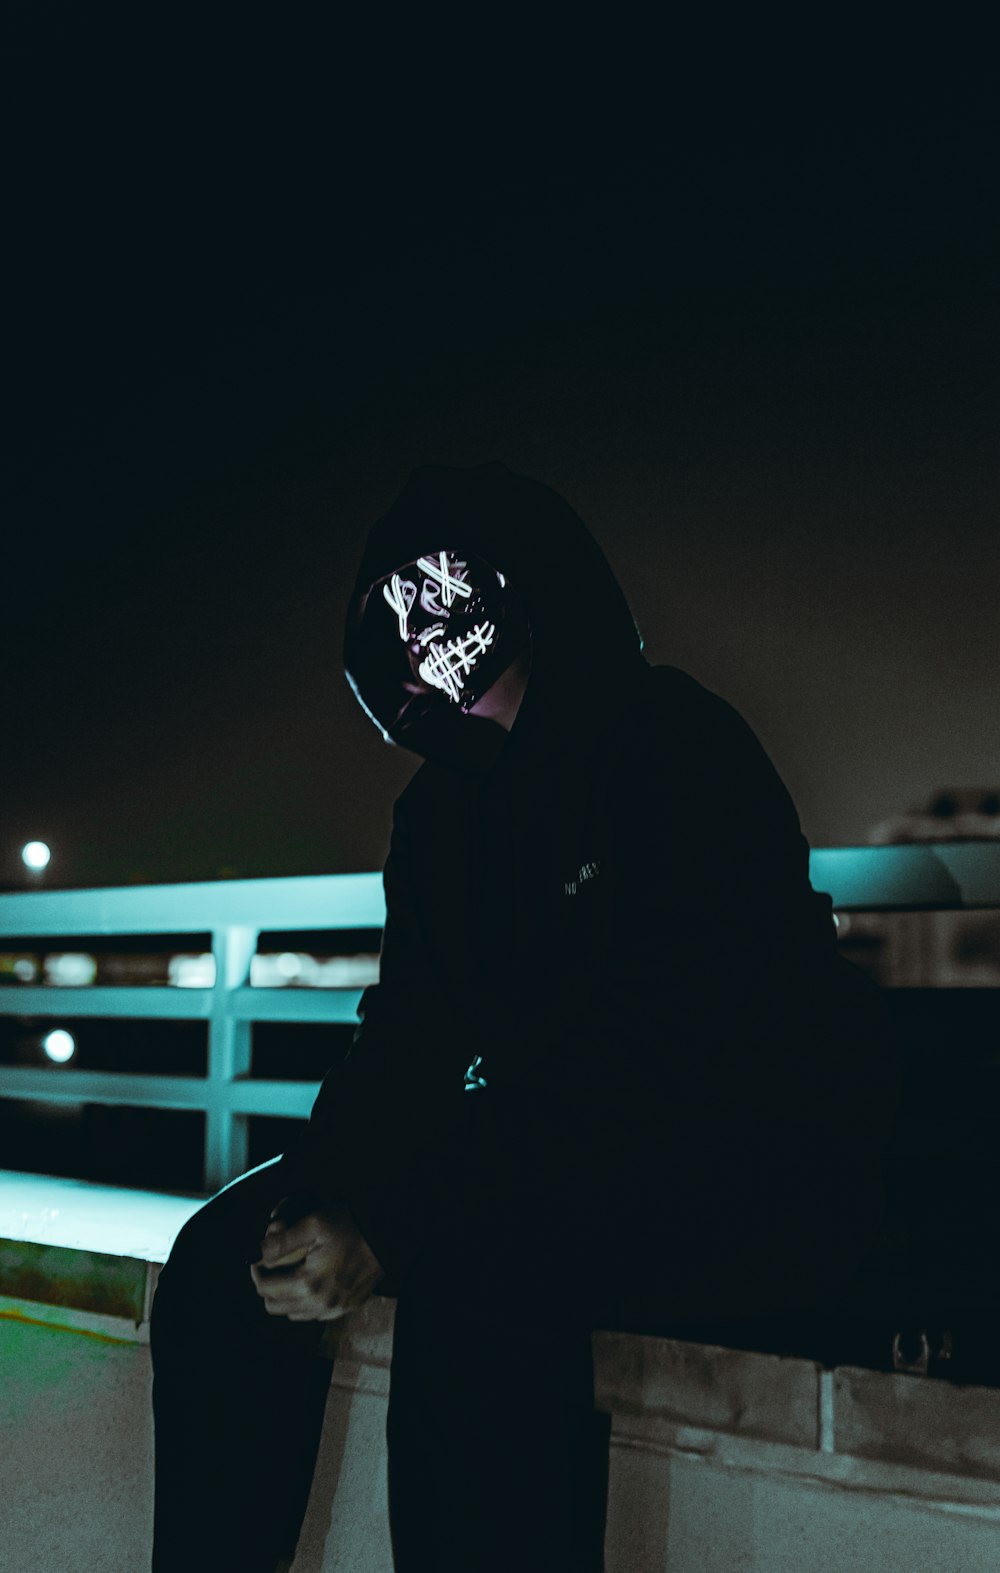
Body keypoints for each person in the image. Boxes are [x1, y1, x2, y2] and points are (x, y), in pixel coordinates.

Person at [149, 462, 897, 1572]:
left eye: (447, 594)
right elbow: (407, 1036)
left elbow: (662, 1065)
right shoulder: (441, 813)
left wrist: (396, 1217)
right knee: (223, 1260)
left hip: (743, 1157)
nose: (427, 637)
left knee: (479, 1279)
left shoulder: (674, 745)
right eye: (394, 614)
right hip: (567, 1143)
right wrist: (329, 1190)